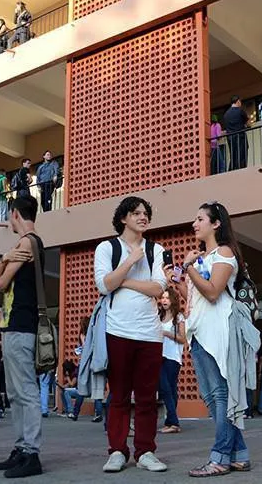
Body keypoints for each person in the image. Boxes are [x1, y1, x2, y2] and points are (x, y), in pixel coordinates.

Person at [173, 201, 258, 477]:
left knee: (221, 394)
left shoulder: (224, 252)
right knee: (212, 396)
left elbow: (213, 292)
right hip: (199, 330)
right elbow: (195, 298)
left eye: (200, 219)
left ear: (216, 223)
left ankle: (220, 457)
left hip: (219, 329)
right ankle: (240, 454)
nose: (194, 224)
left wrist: (189, 268)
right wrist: (180, 282)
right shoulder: (203, 257)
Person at [93, 197, 167, 474]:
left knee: (147, 398)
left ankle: (146, 450)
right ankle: (117, 451)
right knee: (120, 396)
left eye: (146, 213)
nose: (143, 217)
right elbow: (104, 285)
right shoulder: (107, 248)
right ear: (123, 218)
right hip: (117, 330)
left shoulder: (155, 249)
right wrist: (129, 262)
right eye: (136, 213)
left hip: (150, 332)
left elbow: (159, 288)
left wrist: (123, 281)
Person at [0, 195, 45, 478]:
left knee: (25, 391)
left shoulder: (27, 242)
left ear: (14, 214)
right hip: (14, 326)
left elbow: (0, 282)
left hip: (23, 325)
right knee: (15, 392)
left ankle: (31, 453)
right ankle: (22, 447)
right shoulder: (23, 243)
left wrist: (6, 259)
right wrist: (4, 258)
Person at [157, 288, 186, 434]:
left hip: (173, 357)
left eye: (167, 298)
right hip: (158, 356)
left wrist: (167, 333)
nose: (164, 300)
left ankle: (173, 422)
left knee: (169, 389)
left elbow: (183, 339)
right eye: (162, 298)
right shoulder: (158, 316)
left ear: (173, 300)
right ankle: (172, 421)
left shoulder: (178, 317)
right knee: (166, 388)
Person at [222, 96, 249, 170]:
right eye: (240, 102)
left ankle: (232, 169)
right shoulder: (240, 111)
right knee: (242, 153)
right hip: (240, 136)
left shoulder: (226, 114)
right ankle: (242, 169)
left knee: (233, 154)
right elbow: (247, 123)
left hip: (230, 137)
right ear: (238, 102)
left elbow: (226, 127)